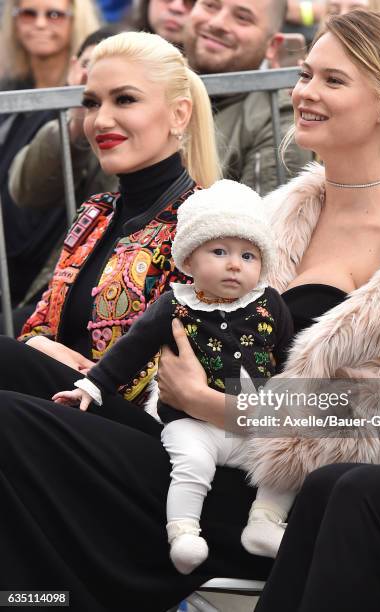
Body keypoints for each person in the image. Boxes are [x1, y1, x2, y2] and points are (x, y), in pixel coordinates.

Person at [157, 9, 380, 515]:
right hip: (189, 451)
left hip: (285, 495)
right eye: (305, 75)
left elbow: (377, 417)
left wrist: (212, 404)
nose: (305, 93)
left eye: (333, 80)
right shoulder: (271, 213)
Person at [0, 30, 230, 611]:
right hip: (68, 406)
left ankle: (38, 600)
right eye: (90, 102)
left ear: (179, 114)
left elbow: (173, 366)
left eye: (124, 100)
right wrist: (42, 350)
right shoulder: (97, 211)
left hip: (156, 439)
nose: (100, 118)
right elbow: (39, 325)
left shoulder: (209, 221)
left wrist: (72, 366)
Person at [53, 179, 295, 574]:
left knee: (287, 458)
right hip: (190, 421)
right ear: (190, 259)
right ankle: (183, 532)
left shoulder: (270, 304)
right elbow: (131, 350)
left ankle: (264, 522)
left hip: (250, 419)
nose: (235, 264)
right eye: (219, 251)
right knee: (190, 465)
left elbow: (288, 360)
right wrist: (91, 387)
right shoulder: (175, 305)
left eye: (249, 256)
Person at [5, 26, 119, 335]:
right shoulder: (61, 123)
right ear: (72, 69)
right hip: (41, 284)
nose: (94, 77)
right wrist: (75, 125)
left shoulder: (130, 136)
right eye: (88, 64)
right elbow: (25, 189)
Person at [0, 0, 100, 312]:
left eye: (55, 14)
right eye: (29, 13)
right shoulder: (10, 88)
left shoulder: (89, 103)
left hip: (53, 247)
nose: (41, 24)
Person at [183, 0, 313, 195]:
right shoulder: (150, 81)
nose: (218, 23)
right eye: (210, 5)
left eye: (242, 18)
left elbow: (262, 222)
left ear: (272, 45)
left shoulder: (278, 118)